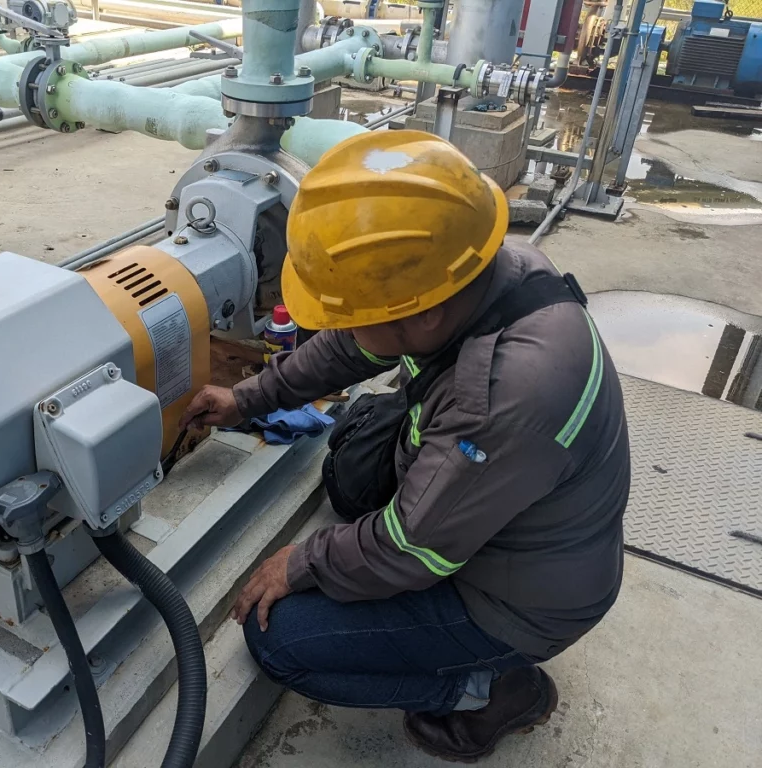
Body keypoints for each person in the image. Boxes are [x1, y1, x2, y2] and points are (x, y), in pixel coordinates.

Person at [178, 130, 630, 763]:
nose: (339, 323)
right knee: (350, 473)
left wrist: (299, 562)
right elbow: (351, 346)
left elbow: (410, 551)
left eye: (352, 309)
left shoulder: (504, 395)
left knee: (281, 640)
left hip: (515, 603)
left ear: (420, 316)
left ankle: (491, 687)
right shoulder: (476, 273)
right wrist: (247, 397)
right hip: (497, 500)